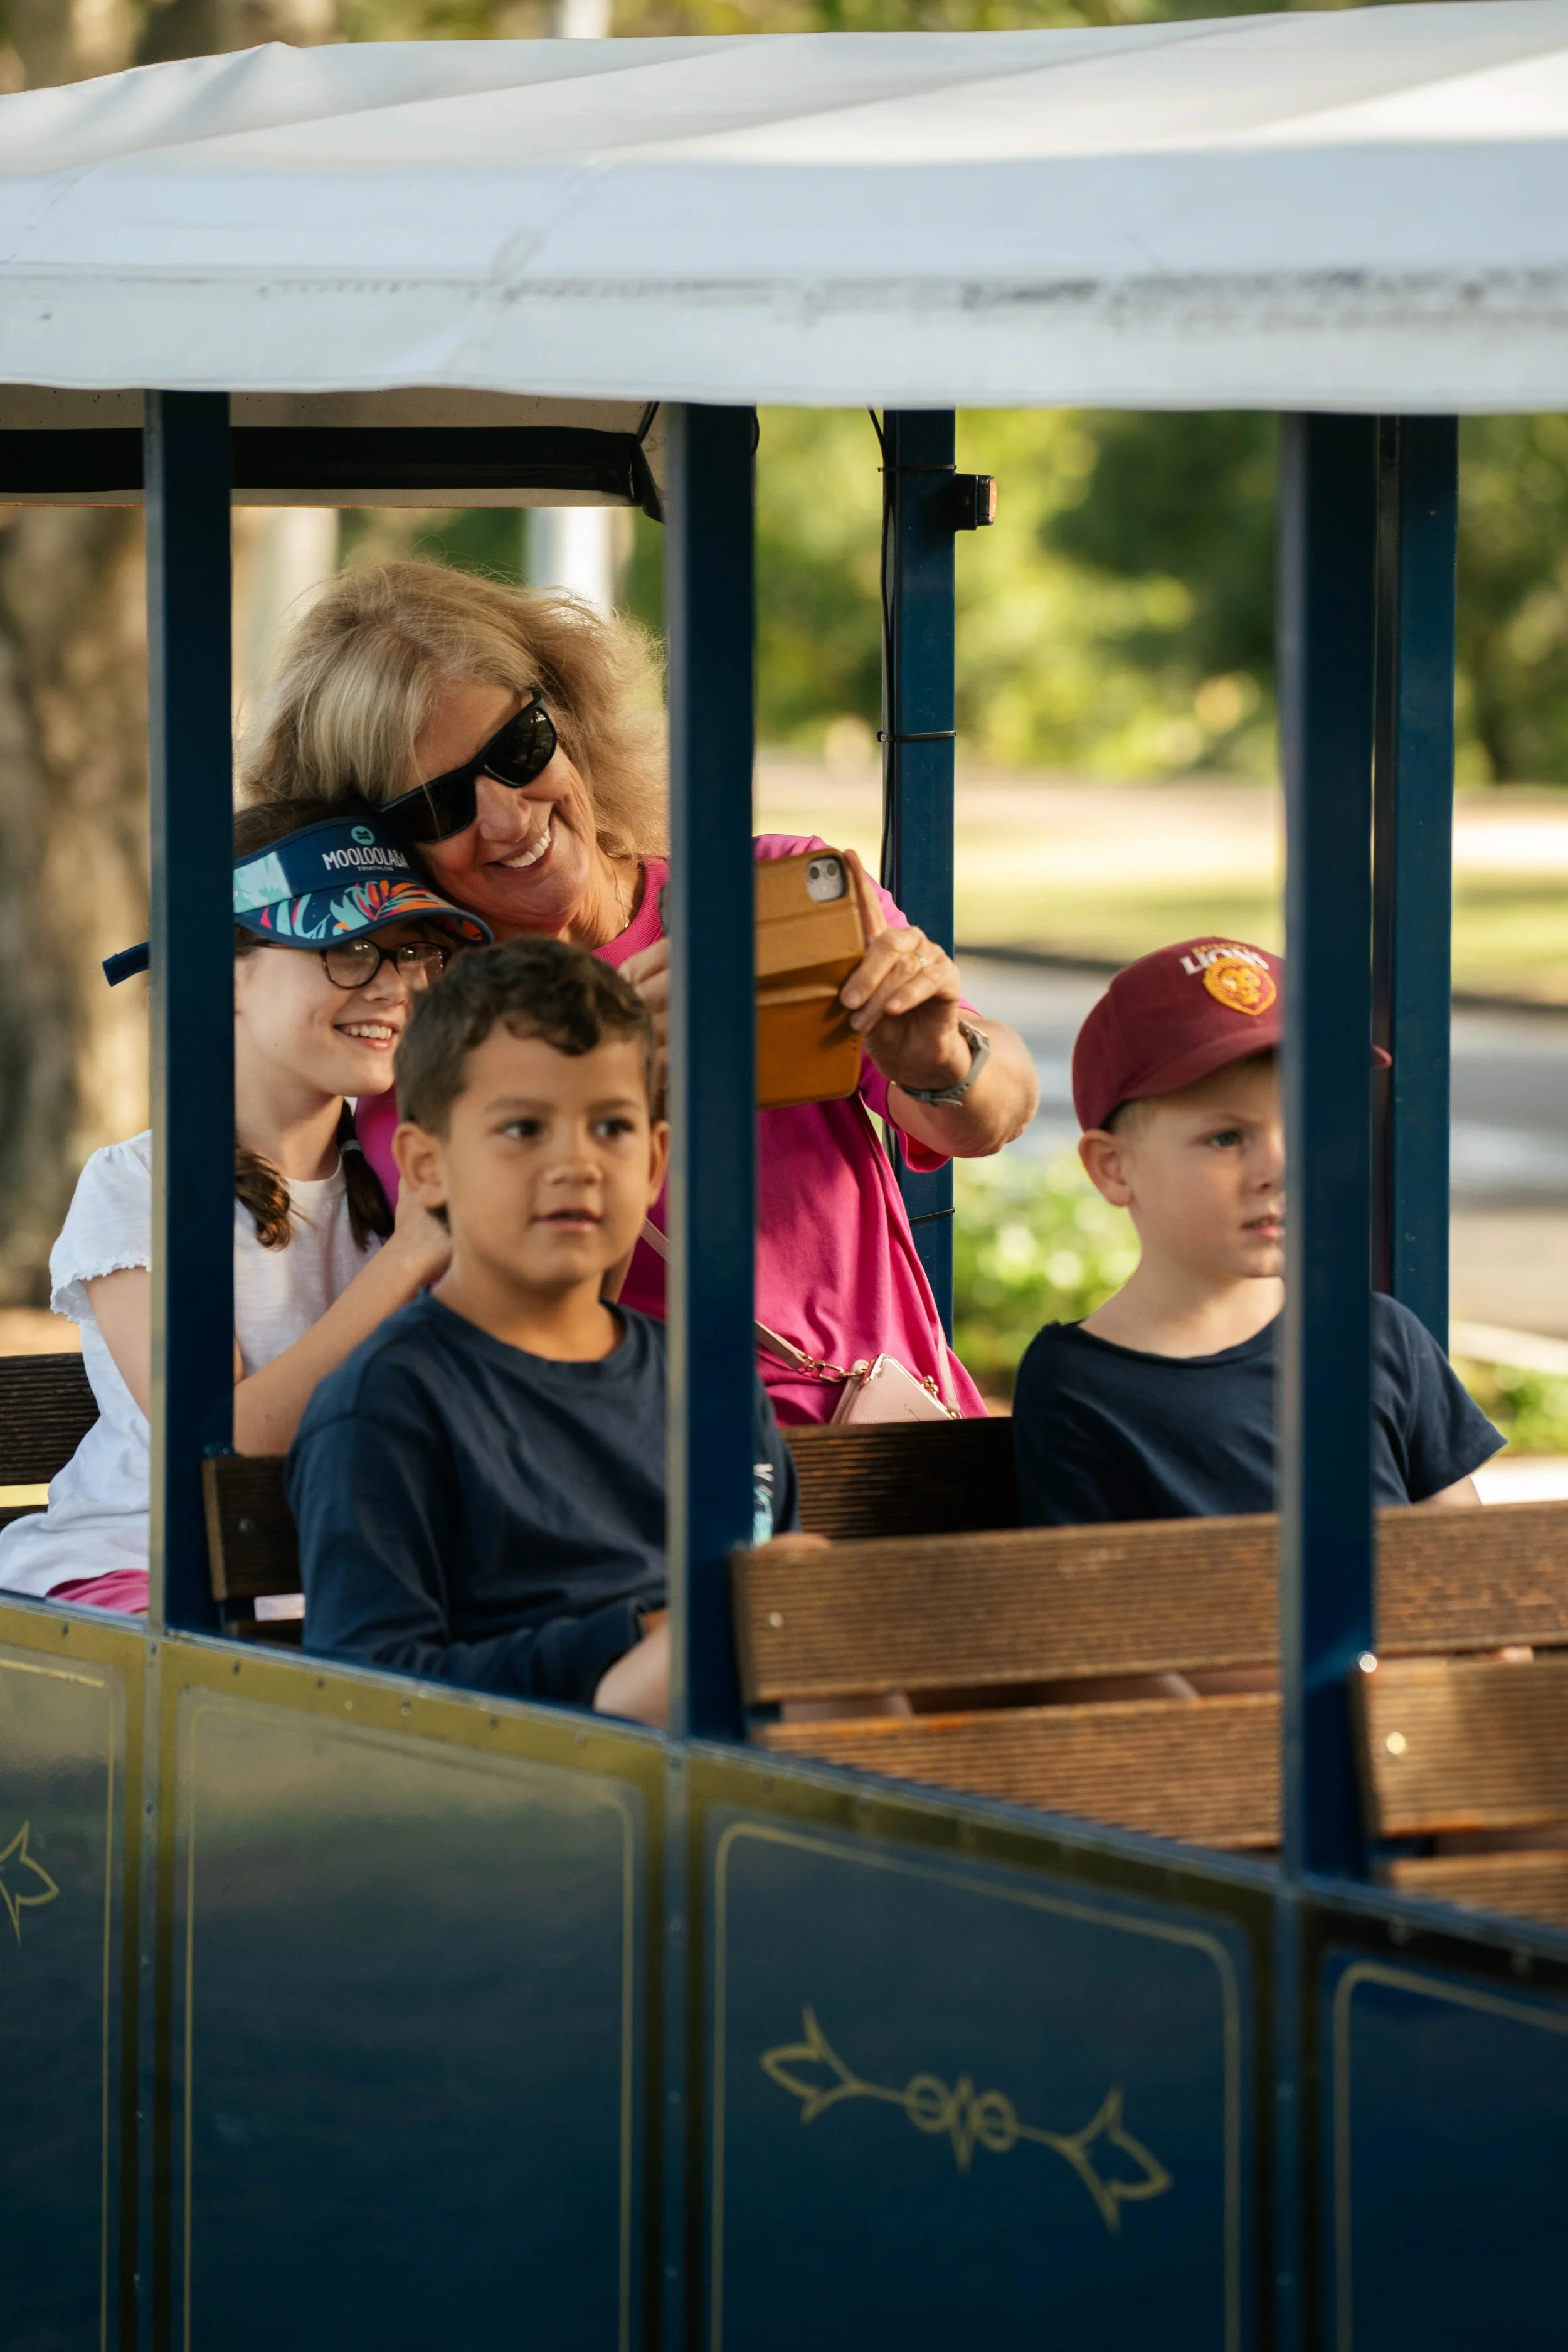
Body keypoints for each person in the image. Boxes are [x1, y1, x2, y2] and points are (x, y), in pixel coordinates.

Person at [238, 561, 1040, 1421]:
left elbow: (986, 1118)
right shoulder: (419, 1040)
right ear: (383, 846)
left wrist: (939, 1057)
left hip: (900, 1440)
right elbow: (506, 1331)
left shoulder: (762, 889)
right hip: (661, 1488)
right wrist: (603, 1071)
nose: (511, 817)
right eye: (440, 808)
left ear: (568, 722)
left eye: (518, 750)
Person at [289, 937, 801, 1721]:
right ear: (426, 1168)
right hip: (543, 1780)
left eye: (612, 1128)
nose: (577, 1164)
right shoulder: (388, 1404)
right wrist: (629, 1643)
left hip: (745, 1757)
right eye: (525, 1129)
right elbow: (368, 1691)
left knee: (808, 1592)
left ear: (656, 1162)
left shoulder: (712, 1383)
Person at [0, 802, 485, 1614]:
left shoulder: (407, 1174)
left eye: (414, 954)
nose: (396, 988)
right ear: (218, 970)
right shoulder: (139, 1187)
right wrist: (408, 1258)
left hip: (338, 1573)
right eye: (349, 947)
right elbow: (226, 1444)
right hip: (147, 1569)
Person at [1013, 936, 1503, 1527]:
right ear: (1114, 1169)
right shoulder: (1079, 1386)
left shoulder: (1379, 1338)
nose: (1279, 1169)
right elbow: (1095, 1604)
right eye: (1227, 1138)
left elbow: (1466, 1565)